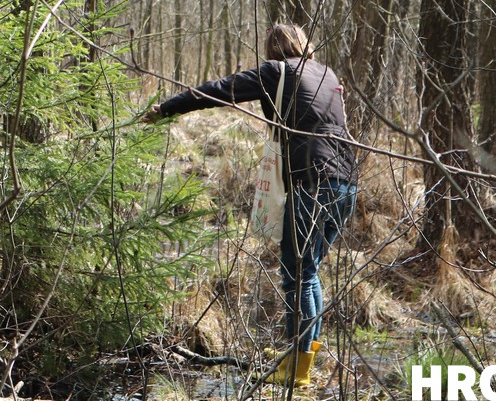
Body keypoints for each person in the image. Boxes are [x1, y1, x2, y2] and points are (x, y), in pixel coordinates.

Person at [144, 24, 358, 387]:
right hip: (346, 182)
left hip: (312, 180)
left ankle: (297, 371)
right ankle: (303, 362)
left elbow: (215, 91)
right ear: (303, 45)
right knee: (310, 271)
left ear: (273, 50)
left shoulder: (277, 72)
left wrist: (166, 109)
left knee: (298, 275)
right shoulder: (326, 73)